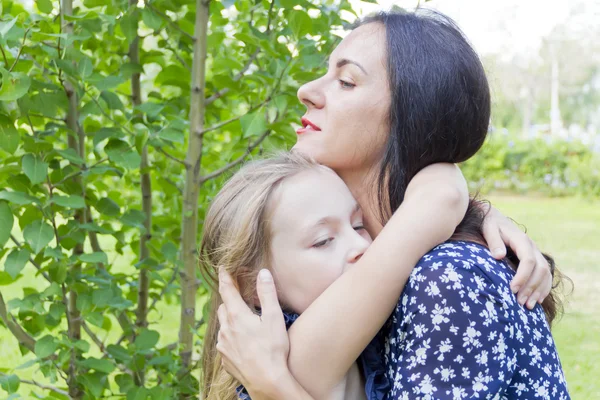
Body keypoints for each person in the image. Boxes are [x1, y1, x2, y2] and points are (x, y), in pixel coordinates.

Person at [210, 9, 568, 400]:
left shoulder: (448, 282)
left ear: (409, 119)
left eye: (346, 81)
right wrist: (447, 203)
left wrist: (274, 389)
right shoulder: (358, 277)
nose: (307, 90)